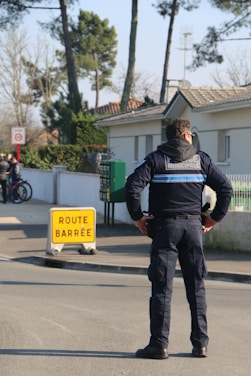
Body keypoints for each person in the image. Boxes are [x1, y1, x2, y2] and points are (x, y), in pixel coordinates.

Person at [125, 118, 233, 360]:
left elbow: (132, 186)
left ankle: (159, 345)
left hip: (165, 229)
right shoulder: (202, 160)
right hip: (194, 228)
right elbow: (226, 188)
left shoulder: (155, 159)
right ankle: (200, 344)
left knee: (162, 288)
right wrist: (214, 219)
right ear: (185, 136)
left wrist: (138, 218)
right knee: (197, 287)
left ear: (170, 137)